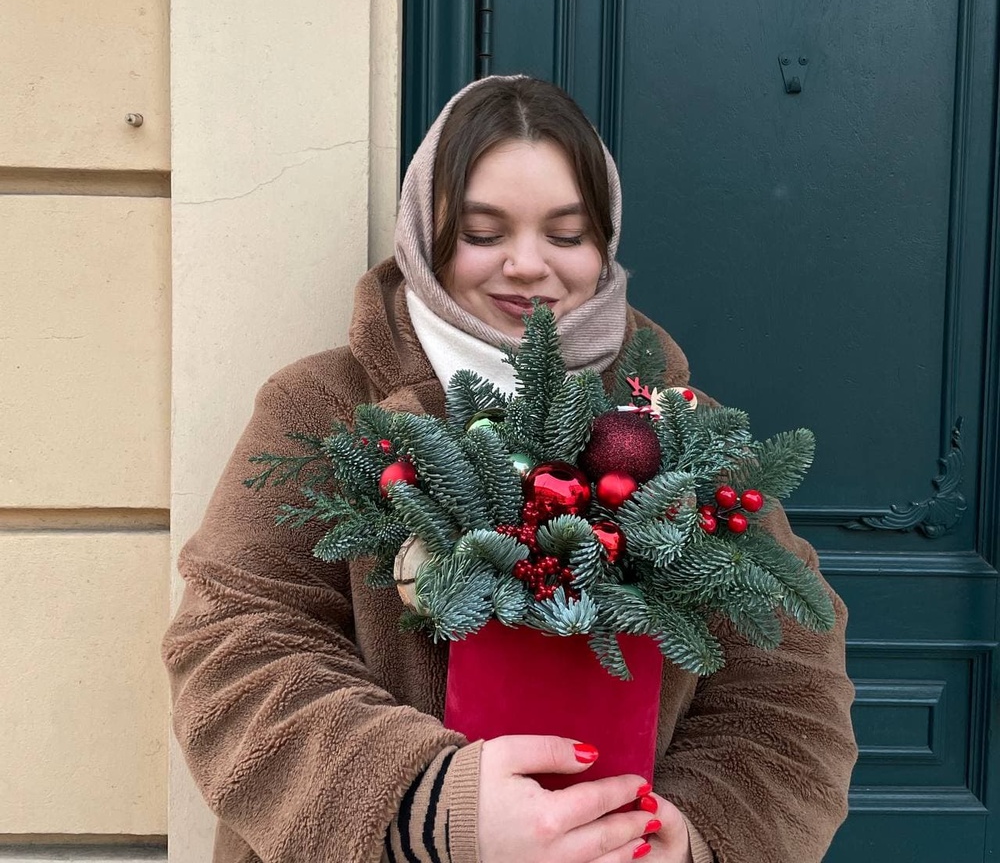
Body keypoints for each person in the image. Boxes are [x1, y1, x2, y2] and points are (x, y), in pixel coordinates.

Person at [162, 75, 857, 863]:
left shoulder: (678, 430)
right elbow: (238, 647)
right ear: (429, 235)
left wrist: (695, 839)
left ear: (606, 241)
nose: (529, 266)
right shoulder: (321, 408)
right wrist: (431, 807)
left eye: (565, 235)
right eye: (485, 233)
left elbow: (789, 697)